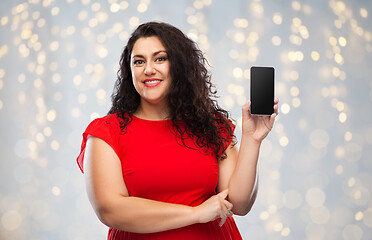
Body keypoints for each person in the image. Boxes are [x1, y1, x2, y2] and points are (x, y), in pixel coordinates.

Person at [76, 21, 279, 239]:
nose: (149, 69)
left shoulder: (212, 125)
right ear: (129, 69)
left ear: (179, 65)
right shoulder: (107, 131)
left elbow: (239, 204)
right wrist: (196, 213)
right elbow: (109, 209)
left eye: (160, 58)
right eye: (139, 61)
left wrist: (252, 139)